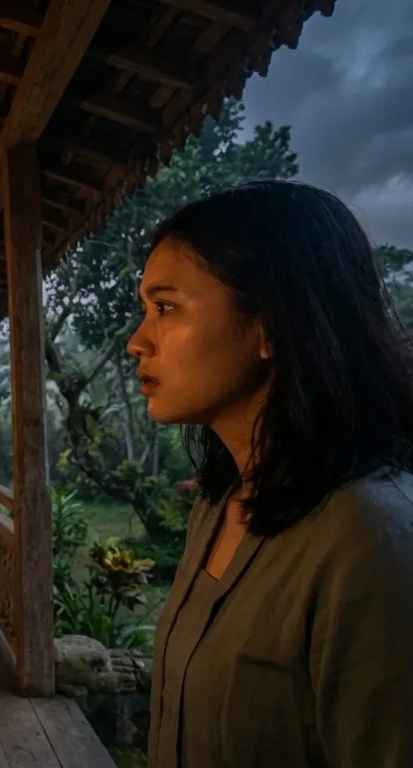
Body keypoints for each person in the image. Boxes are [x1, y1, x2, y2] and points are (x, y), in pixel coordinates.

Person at [128, 180, 413, 767]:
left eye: (166, 307)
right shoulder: (220, 504)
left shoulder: (369, 540)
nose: (137, 342)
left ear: (273, 324)